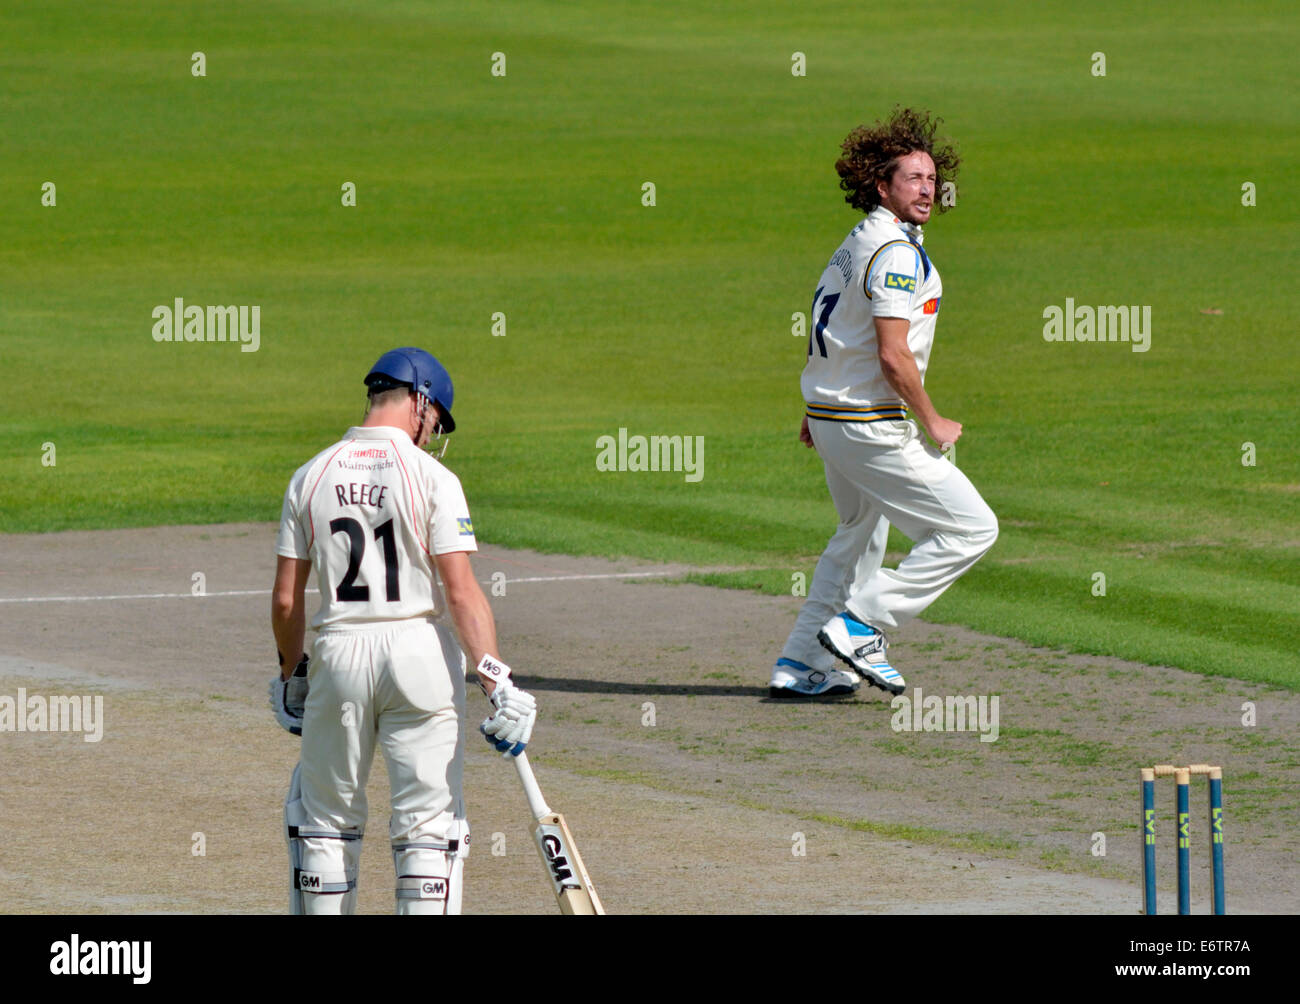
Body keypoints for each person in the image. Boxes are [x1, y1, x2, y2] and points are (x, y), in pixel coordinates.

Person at [269, 346, 537, 914]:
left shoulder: (309, 474)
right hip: (418, 657)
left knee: (324, 824)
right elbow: (461, 593)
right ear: (419, 401)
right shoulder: (433, 477)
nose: (432, 430)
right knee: (428, 829)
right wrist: (498, 681)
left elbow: (288, 599)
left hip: (337, 656)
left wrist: (294, 674)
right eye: (435, 417)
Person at [770, 108, 998, 699]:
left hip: (833, 416)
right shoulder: (894, 251)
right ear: (882, 186)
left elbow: (833, 323)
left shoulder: (859, 241)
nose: (927, 188)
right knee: (972, 528)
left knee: (859, 533)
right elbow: (892, 355)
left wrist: (815, 405)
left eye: (931, 178)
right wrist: (934, 420)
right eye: (912, 179)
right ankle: (862, 625)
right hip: (867, 423)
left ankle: (800, 664)